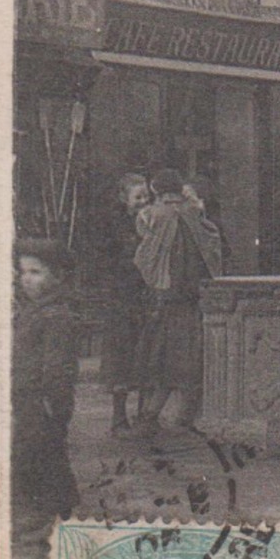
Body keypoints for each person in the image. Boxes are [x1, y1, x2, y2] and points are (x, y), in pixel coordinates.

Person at [134, 169, 222, 437]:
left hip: (164, 297)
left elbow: (144, 255)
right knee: (190, 358)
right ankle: (185, 416)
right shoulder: (194, 214)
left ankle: (149, 416)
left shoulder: (153, 214)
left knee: (160, 358)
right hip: (193, 296)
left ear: (157, 190)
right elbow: (213, 243)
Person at [12, 240, 81, 540]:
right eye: (22, 271)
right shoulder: (32, 311)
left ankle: (46, 515)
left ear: (59, 277)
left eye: (36, 272)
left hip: (43, 399)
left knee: (39, 452)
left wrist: (53, 400)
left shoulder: (56, 316)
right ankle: (62, 510)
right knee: (43, 453)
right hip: (27, 396)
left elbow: (58, 364)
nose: (26, 278)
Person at [101, 172, 148, 436]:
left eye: (145, 196)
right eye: (137, 197)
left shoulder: (149, 220)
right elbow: (116, 255)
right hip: (122, 298)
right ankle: (118, 418)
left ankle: (144, 417)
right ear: (124, 199)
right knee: (121, 359)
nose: (142, 201)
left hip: (144, 297)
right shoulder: (116, 224)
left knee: (146, 357)